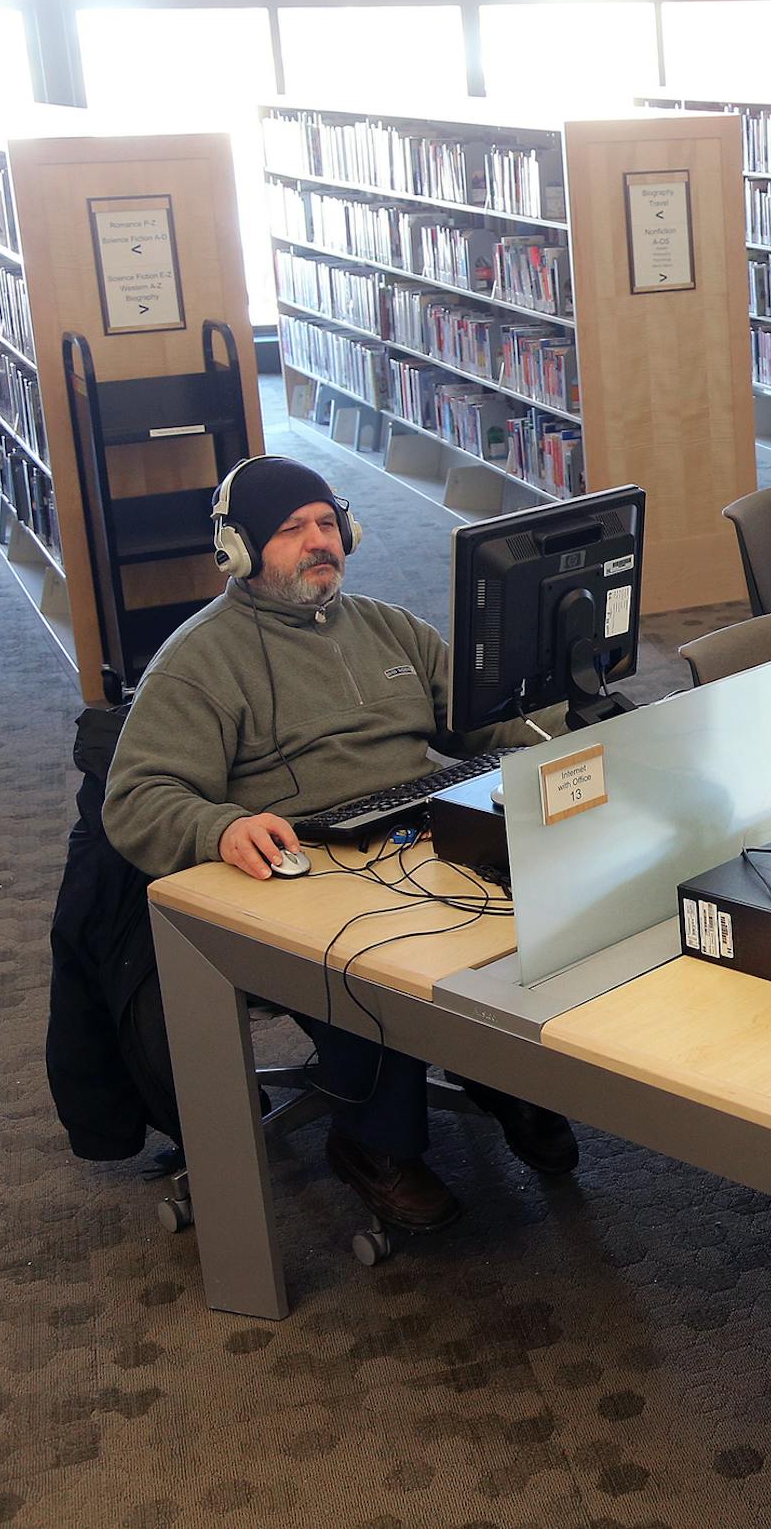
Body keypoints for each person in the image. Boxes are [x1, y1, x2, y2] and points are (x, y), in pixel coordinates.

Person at [102, 455, 578, 1232]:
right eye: (292, 530)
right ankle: (376, 1144)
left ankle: (507, 1077)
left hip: (420, 833)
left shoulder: (389, 626)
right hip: (305, 869)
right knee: (373, 965)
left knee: (535, 906)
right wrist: (221, 825)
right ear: (242, 552)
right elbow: (138, 797)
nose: (318, 541)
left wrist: (578, 722)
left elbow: (482, 718)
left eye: (327, 522)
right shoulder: (199, 661)